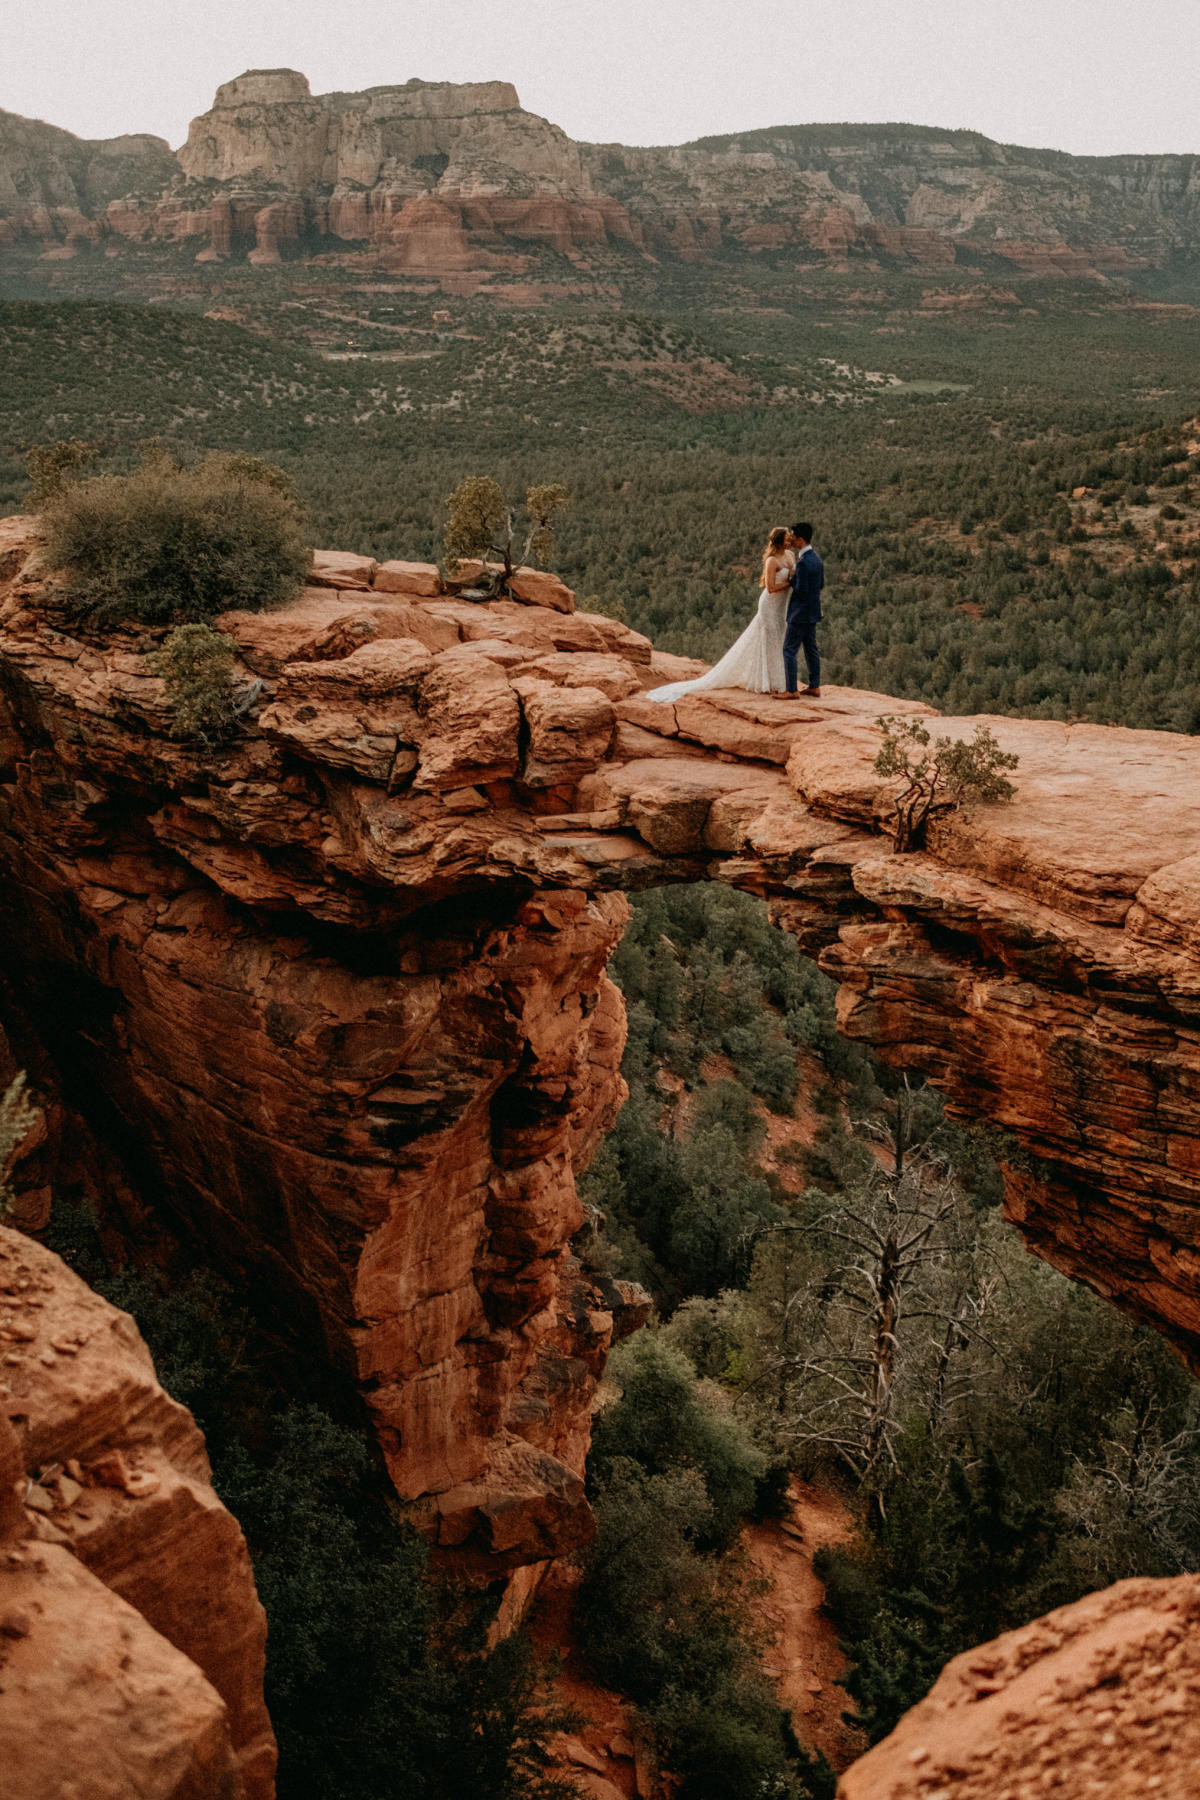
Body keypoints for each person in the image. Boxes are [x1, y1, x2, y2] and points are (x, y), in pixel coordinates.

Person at [646, 526, 794, 702]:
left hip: (782, 606)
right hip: (769, 605)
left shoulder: (791, 556)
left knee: (780, 639)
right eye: (786, 539)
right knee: (769, 640)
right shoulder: (772, 561)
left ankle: (775, 680)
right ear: (778, 541)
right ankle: (771, 683)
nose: (790, 541)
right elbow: (770, 588)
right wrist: (791, 583)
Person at [783, 522, 823, 697]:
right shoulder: (816, 559)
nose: (791, 539)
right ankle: (814, 686)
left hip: (799, 613)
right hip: (813, 612)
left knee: (789, 650)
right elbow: (821, 584)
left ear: (800, 539)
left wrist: (791, 578)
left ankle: (791, 690)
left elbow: (800, 589)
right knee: (811, 649)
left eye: (793, 536)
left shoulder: (803, 563)